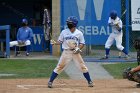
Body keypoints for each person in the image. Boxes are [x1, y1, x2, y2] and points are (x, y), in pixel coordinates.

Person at [48, 16, 94, 88]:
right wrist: (54, 42)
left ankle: (89, 81)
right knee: (60, 66)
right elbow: (60, 41)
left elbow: (82, 43)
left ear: (74, 24)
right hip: (66, 52)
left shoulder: (79, 33)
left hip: (75, 52)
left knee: (82, 66)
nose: (68, 24)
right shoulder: (64, 32)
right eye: (68, 23)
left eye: (70, 23)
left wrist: (78, 48)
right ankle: (50, 81)